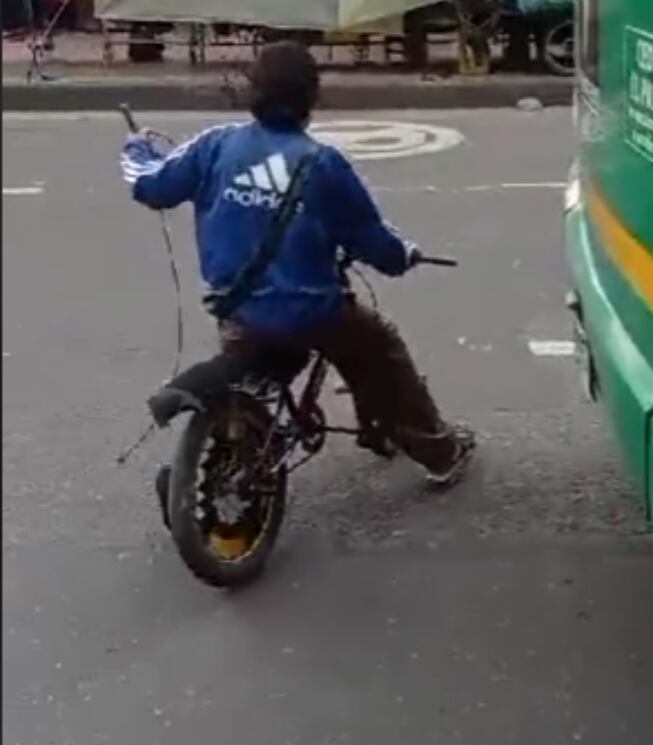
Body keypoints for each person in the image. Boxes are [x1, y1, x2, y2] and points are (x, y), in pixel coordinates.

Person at [121, 41, 477, 487]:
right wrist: (405, 256)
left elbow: (151, 186)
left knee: (253, 357)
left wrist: (136, 149)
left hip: (237, 310)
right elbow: (375, 243)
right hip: (314, 315)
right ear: (312, 98)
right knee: (380, 350)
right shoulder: (323, 164)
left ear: (254, 92)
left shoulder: (214, 145)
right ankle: (439, 451)